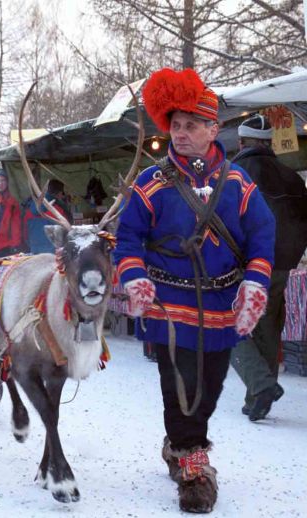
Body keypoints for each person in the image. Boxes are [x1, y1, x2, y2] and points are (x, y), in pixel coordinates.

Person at [113, 68, 275, 513]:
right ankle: (195, 465)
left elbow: (263, 236)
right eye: (175, 127)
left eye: (190, 127)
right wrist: (135, 276)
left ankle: (178, 442)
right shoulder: (151, 182)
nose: (180, 135)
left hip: (221, 305)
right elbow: (127, 239)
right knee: (179, 383)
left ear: (212, 129)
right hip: (167, 304)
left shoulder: (240, 184)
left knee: (211, 385)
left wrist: (256, 283)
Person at [229, 114, 307, 421]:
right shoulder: (291, 175)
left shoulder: (234, 174)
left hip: (243, 263)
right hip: (281, 265)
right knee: (268, 324)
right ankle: (258, 398)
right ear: (269, 142)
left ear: (241, 142)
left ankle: (261, 386)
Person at [23, 178, 71, 254]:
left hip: (35, 251)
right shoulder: (58, 211)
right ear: (59, 193)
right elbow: (65, 233)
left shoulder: (29, 209)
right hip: (53, 253)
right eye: (62, 194)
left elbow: (25, 233)